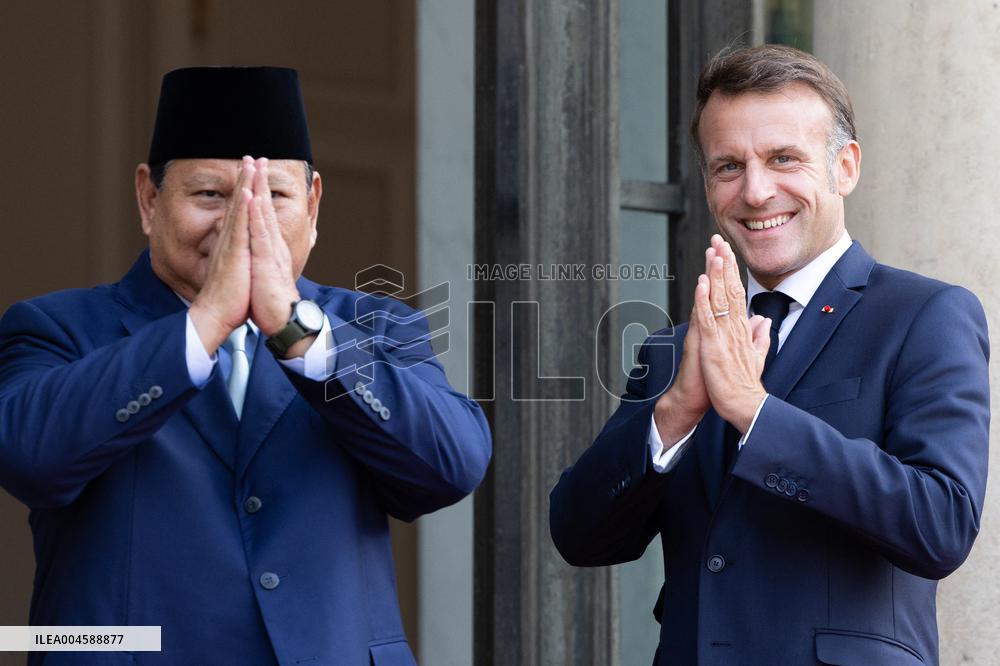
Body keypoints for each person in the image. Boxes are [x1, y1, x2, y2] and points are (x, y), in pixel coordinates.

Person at [0, 66, 491, 665]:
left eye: (273, 197)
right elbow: (26, 455)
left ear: (312, 205)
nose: (240, 224)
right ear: (149, 199)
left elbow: (452, 465)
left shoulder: (373, 326)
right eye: (211, 195)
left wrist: (296, 330)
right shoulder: (58, 328)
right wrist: (203, 323)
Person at [550, 45, 989, 665]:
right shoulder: (675, 349)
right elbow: (578, 534)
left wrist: (757, 415)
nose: (756, 191)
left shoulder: (925, 317)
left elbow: (940, 526)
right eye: (728, 166)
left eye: (784, 158)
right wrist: (675, 411)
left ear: (845, 167)